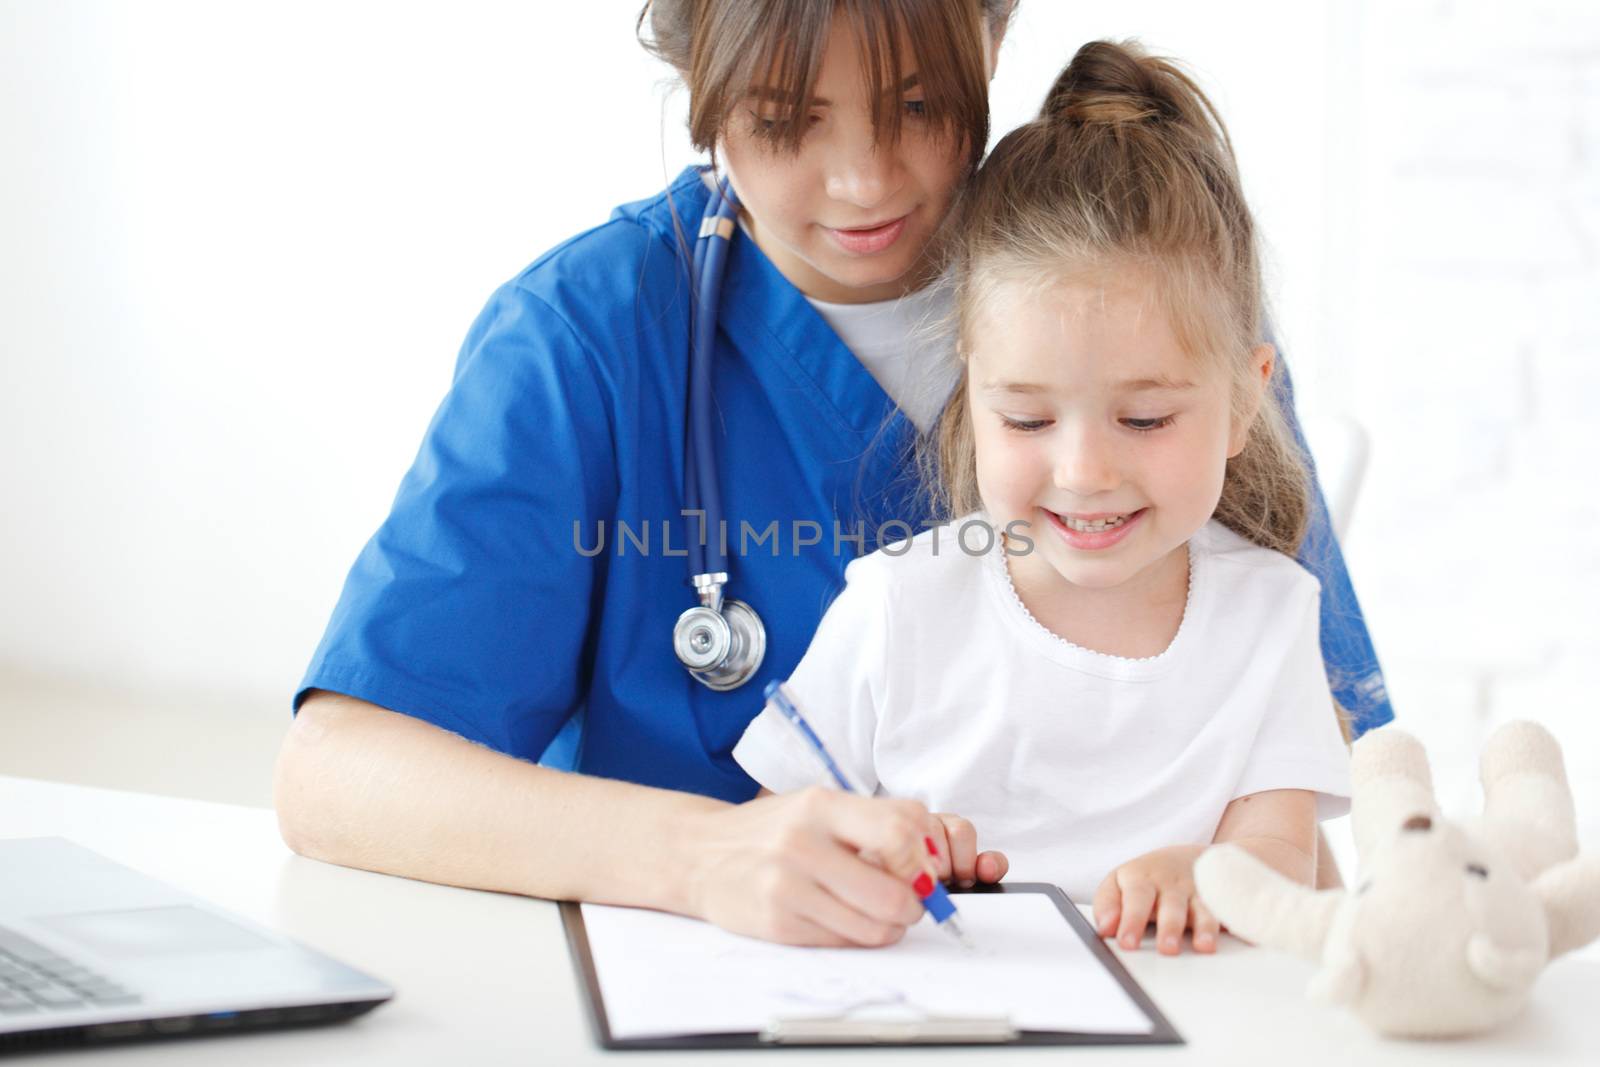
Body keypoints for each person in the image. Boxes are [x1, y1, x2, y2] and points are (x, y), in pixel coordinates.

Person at [275, 1, 1389, 949]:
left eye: (917, 105)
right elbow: (335, 774)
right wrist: (707, 854)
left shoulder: (1146, 293)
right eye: (781, 115)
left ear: (990, 33)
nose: (863, 180)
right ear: (699, 84)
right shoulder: (588, 335)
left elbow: (1304, 805)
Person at [732, 39, 1355, 957]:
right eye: (1026, 419)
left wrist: (1210, 876)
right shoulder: (900, 606)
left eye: (1144, 418)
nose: (1084, 471)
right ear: (971, 391)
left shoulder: (1270, 618)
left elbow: (1281, 858)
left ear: (1245, 400)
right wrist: (880, 852)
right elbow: (776, 839)